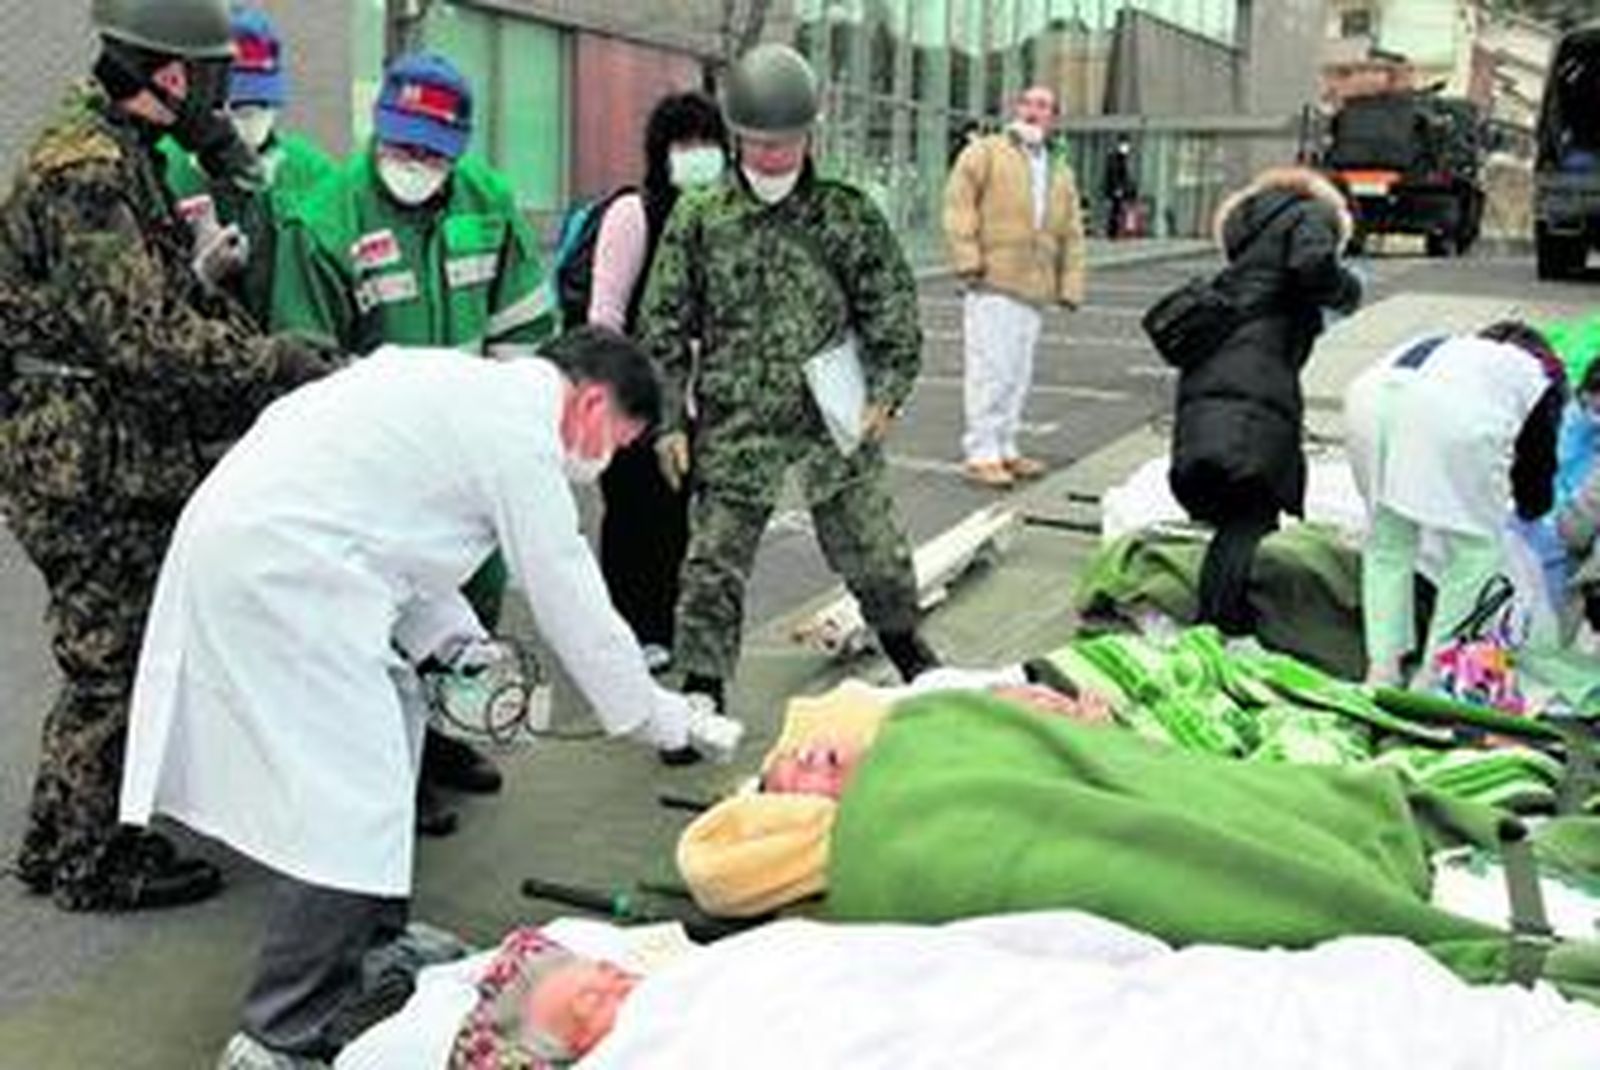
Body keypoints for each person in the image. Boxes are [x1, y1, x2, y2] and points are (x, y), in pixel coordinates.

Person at [117, 328, 742, 1069]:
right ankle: (279, 1029)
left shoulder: (465, 391)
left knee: (393, 737)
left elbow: (400, 545)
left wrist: (460, 651)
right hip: (281, 573)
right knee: (347, 799)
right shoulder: (518, 436)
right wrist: (658, 716)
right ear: (591, 403)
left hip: (285, 552)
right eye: (617, 441)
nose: (603, 461)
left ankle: (374, 942)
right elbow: (567, 592)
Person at [0, 0, 339, 913]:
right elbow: (141, 339)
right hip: (83, 458)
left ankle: (58, 838)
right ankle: (91, 861)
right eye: (216, 81)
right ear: (175, 75)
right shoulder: (86, 170)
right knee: (112, 660)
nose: (221, 103)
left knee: (106, 650)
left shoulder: (123, 152)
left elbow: (157, 303)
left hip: (101, 445)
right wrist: (272, 362)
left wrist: (253, 333)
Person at [272, 50, 559, 831]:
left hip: (469, 454)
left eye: (432, 153)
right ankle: (391, 770)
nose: (414, 164)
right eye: (401, 146)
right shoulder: (328, 219)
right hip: (373, 464)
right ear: (378, 129)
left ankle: (444, 740)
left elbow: (523, 328)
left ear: (459, 149)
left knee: (476, 595)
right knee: (384, 617)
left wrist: (512, 436)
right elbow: (304, 359)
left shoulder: (488, 203)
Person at [637, 44, 938, 723]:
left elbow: (891, 309)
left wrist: (887, 392)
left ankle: (906, 645)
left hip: (832, 415)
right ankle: (703, 683)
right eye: (759, 142)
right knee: (713, 562)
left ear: (809, 134)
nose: (773, 155)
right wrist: (670, 420)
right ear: (737, 136)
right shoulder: (701, 217)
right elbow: (662, 325)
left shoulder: (845, 213)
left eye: (787, 141)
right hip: (737, 419)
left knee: (875, 549)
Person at [1168, 166, 1363, 637]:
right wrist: (1347, 290)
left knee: (1226, 516)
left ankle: (1215, 622)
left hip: (1217, 374)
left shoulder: (1252, 230)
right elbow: (1312, 264)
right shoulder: (1310, 213)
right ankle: (1224, 630)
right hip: (1255, 384)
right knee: (1251, 515)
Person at [584, 92, 729, 674]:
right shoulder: (633, 215)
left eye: (708, 143)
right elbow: (605, 315)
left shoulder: (721, 218)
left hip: (694, 400)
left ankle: (661, 626)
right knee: (631, 515)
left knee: (674, 520)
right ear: (660, 151)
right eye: (684, 143)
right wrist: (623, 404)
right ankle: (624, 631)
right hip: (633, 395)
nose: (698, 154)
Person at [1345, 323, 1566, 685]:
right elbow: (1536, 462)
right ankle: (1436, 671)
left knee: (1388, 540)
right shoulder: (1534, 377)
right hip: (1447, 417)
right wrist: (1533, 509)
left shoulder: (1459, 350)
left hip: (1366, 398)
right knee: (1476, 549)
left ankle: (1382, 668)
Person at [943, 84, 1087, 488]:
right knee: (991, 370)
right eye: (1028, 103)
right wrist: (967, 259)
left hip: (1035, 285)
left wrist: (1070, 284)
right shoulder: (986, 151)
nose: (1034, 111)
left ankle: (1006, 445)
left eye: (1044, 106)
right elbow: (958, 204)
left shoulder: (1059, 170)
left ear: (1053, 117)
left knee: (1018, 373)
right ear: (1016, 108)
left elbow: (1072, 232)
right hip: (993, 279)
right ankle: (981, 452)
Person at [159, 4, 337, 326]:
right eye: (239, 106)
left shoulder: (313, 173)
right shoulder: (161, 168)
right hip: (192, 347)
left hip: (291, 351)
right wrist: (199, 275)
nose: (252, 119)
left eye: (263, 104)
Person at [1102, 135, 1138, 238]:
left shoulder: (1123, 158)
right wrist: (1117, 188)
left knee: (1118, 210)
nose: (1126, 148)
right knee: (1115, 210)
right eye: (1125, 145)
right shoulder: (1115, 158)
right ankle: (1112, 231)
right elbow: (1114, 174)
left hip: (1119, 189)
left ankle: (1118, 230)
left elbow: (1123, 175)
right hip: (1115, 189)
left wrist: (1128, 186)